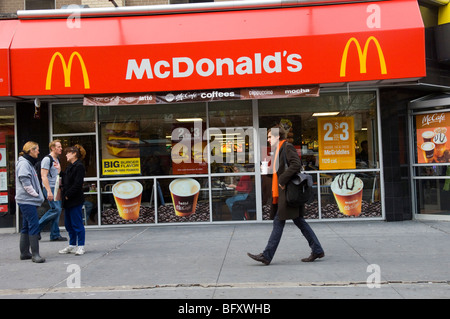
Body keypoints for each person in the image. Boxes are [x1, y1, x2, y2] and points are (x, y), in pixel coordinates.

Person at [247, 125, 325, 265]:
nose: (269, 139)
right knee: (299, 221)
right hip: (283, 194)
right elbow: (278, 172)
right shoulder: (277, 150)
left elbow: (296, 164)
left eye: (270, 137)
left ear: (278, 136)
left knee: (279, 222)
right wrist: (267, 170)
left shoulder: (287, 147)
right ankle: (317, 249)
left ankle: (267, 255)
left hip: (288, 193)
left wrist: (282, 180)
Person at [16, 141, 46, 263]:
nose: (38, 151)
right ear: (31, 150)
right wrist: (36, 194)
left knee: (26, 226)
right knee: (34, 225)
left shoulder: (27, 163)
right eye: (37, 149)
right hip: (27, 200)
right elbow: (25, 181)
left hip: (27, 200)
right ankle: (35, 255)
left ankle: (24, 253)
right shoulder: (24, 164)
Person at [59, 144, 86, 256]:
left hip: (74, 199)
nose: (66, 155)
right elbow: (66, 179)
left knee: (77, 223)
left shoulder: (79, 166)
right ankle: (72, 245)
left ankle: (81, 246)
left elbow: (77, 183)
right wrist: (60, 172)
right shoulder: (70, 166)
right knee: (68, 224)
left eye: (68, 153)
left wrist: (68, 194)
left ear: (74, 154)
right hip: (68, 199)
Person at [38, 140, 67, 241]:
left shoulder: (56, 159)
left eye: (61, 146)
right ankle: (36, 228)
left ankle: (55, 234)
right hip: (50, 188)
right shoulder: (47, 159)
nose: (61, 148)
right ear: (53, 148)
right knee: (56, 209)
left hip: (56, 188)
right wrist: (48, 191)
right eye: (59, 147)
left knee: (57, 211)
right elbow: (43, 176)